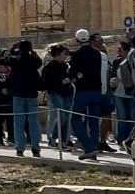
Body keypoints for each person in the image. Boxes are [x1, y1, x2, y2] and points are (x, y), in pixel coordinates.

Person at [69, 30, 105, 161]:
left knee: (75, 119)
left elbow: (73, 73)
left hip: (83, 90)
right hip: (96, 89)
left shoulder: (77, 54)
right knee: (94, 121)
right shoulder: (97, 53)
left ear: (78, 40)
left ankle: (89, 146)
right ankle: (94, 148)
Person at [8, 38, 43, 157]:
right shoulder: (34, 60)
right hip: (31, 93)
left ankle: (19, 147)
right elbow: (39, 62)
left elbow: (9, 57)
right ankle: (36, 147)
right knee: (34, 122)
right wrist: (32, 52)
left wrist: (14, 49)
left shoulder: (14, 60)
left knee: (18, 122)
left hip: (18, 93)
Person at [41, 44, 74, 150]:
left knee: (66, 118)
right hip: (55, 93)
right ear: (58, 54)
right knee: (61, 116)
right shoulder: (49, 66)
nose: (65, 56)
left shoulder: (65, 66)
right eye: (64, 53)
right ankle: (53, 138)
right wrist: (60, 82)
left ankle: (63, 141)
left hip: (66, 93)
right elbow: (47, 82)